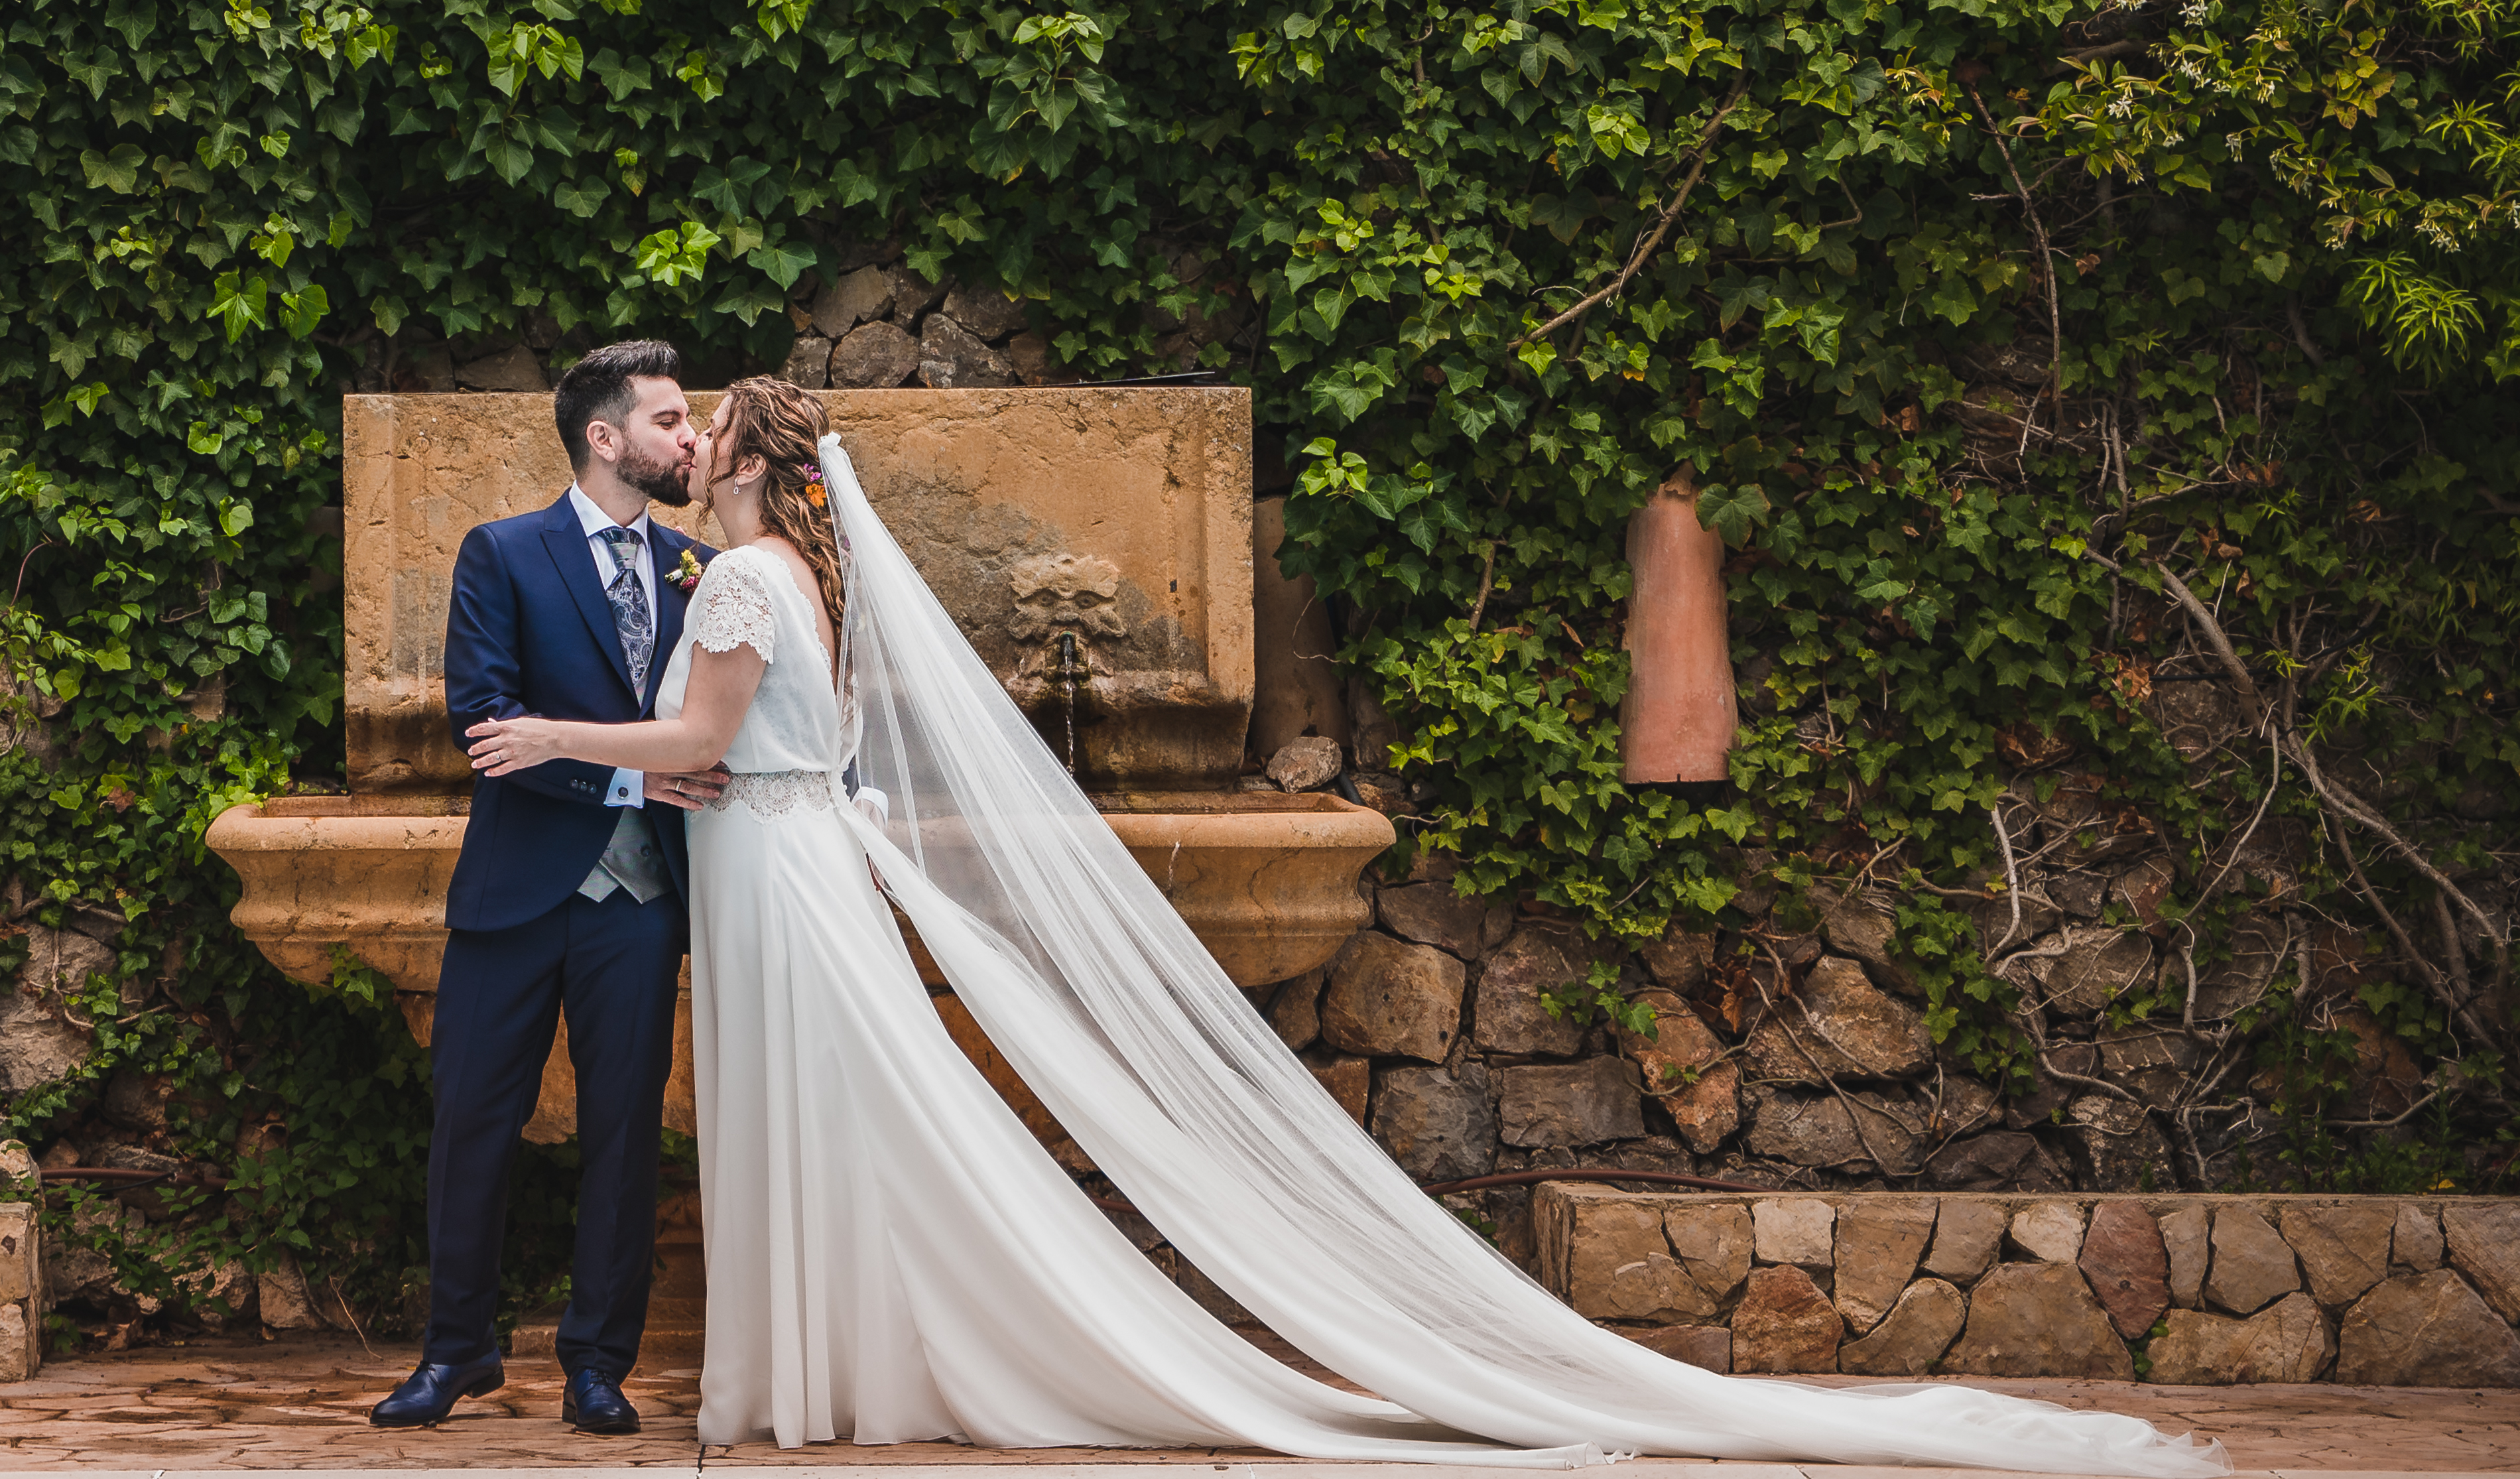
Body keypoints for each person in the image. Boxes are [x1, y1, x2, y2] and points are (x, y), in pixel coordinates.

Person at [466, 375, 2219, 1475]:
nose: (681, 443)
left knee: (839, 1131)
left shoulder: (748, 574)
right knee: (856, 1134)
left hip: (776, 871)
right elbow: (748, 746)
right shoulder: (794, 576)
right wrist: (686, 765)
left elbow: (700, 745)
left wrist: (556, 736)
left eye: (704, 430)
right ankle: (818, 1381)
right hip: (788, 862)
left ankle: (812, 1385)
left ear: (747, 466)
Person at [371, 339, 728, 1435]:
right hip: (515, 894)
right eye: (669, 420)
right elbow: (487, 728)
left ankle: (597, 1363)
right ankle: (456, 1353)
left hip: (641, 905)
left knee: (622, 1135)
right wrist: (636, 771)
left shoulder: (701, 572)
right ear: (603, 437)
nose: (690, 438)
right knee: (473, 1122)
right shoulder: (503, 554)